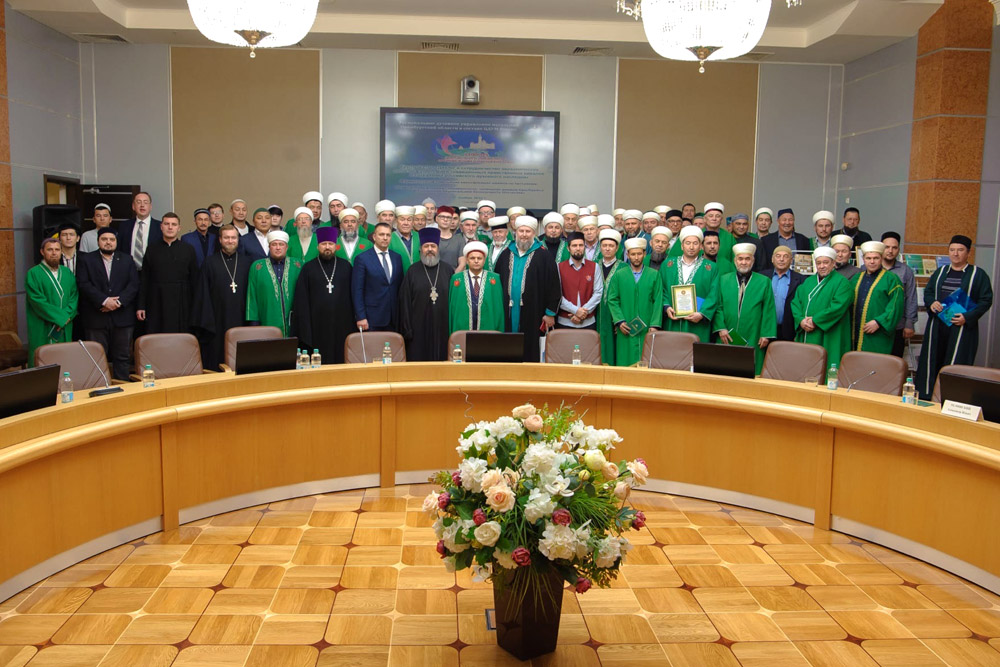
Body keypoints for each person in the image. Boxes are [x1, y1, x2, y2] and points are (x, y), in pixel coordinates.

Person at [916, 234, 994, 400]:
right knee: (932, 362)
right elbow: (929, 292)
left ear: (968, 253)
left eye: (960, 250)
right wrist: (932, 303)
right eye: (952, 250)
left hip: (961, 328)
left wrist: (967, 317)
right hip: (938, 327)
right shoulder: (940, 272)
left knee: (956, 365)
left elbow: (986, 300)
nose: (955, 254)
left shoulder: (978, 274)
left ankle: (952, 400)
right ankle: (927, 397)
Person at [495, 216, 560, 363]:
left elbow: (554, 285)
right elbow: (497, 282)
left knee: (530, 350)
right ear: (515, 232)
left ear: (534, 233)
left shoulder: (544, 255)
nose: (524, 234)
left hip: (534, 312)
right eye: (521, 231)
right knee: (507, 349)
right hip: (507, 312)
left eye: (528, 231)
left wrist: (550, 313)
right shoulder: (506, 254)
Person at [75, 228, 138, 380]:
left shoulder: (127, 259)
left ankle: (123, 385)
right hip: (96, 316)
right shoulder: (86, 259)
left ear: (116, 242)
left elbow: (134, 284)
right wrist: (104, 301)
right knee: (96, 357)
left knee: (122, 356)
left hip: (122, 316)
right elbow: (83, 284)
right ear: (98, 241)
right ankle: (99, 387)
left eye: (112, 239)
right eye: (104, 239)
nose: (108, 242)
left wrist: (118, 302)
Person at [191, 224, 250, 371]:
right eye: (226, 238)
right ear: (220, 240)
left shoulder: (247, 263)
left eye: (233, 238)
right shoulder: (209, 262)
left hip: (242, 318)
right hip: (216, 320)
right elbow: (202, 294)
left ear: (238, 240)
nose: (230, 241)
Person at [713, 243, 776, 375]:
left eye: (747, 259)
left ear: (753, 261)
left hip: (754, 333)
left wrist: (766, 334)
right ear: (735, 260)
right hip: (727, 334)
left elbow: (769, 309)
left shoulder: (764, 281)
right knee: (724, 369)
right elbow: (718, 306)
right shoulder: (723, 280)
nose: (743, 262)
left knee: (751, 370)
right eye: (740, 259)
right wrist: (721, 328)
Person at [293, 227, 354, 364]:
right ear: (318, 246)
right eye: (323, 244)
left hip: (342, 323)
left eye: (330, 244)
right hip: (317, 324)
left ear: (336, 246)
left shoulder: (346, 267)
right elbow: (301, 301)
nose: (327, 247)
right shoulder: (308, 268)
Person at [789, 247, 852, 368]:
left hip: (829, 333)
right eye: (819, 263)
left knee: (826, 365)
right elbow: (796, 303)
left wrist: (815, 320)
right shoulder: (808, 281)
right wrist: (801, 320)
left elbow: (837, 307)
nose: (822, 266)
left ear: (833, 263)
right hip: (805, 329)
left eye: (825, 262)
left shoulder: (842, 283)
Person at [137, 213, 199, 334]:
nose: (170, 227)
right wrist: (141, 305)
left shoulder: (188, 249)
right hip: (157, 300)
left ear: (179, 228)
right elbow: (144, 279)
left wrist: (196, 307)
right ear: (161, 227)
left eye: (174, 224)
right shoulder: (152, 249)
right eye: (167, 224)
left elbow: (194, 280)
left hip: (182, 301)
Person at [399, 227, 454, 361]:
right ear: (420, 249)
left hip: (443, 328)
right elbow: (404, 302)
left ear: (438, 249)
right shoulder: (412, 271)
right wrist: (407, 329)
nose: (430, 249)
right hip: (418, 329)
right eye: (426, 246)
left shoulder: (448, 270)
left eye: (433, 246)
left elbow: (454, 302)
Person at [607, 238, 662, 367]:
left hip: (647, 326)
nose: (636, 257)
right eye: (633, 254)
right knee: (625, 360)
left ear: (644, 254)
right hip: (626, 326)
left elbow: (658, 300)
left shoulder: (654, 275)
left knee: (646, 359)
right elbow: (612, 299)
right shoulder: (619, 275)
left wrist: (654, 324)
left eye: (639, 254)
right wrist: (619, 321)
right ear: (627, 255)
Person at [25, 238, 78, 366]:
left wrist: (67, 316)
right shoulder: (33, 273)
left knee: (65, 361)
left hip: (64, 325)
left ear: (61, 252)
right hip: (43, 325)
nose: (54, 253)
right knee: (42, 361)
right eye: (50, 250)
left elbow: (74, 297)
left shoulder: (67, 272)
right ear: (42, 252)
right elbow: (37, 301)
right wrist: (61, 318)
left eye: (57, 250)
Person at [661, 226, 719, 343]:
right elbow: (661, 289)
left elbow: (714, 294)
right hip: (673, 320)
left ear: (701, 246)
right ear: (682, 246)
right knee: (672, 350)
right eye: (688, 243)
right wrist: (666, 307)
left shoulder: (711, 268)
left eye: (695, 243)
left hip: (697, 324)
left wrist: (702, 314)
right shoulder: (668, 265)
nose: (691, 247)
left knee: (695, 351)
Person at [849, 241, 904, 354]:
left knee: (875, 362)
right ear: (863, 259)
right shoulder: (856, 278)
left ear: (882, 258)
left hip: (878, 332)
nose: (872, 261)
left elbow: (895, 306)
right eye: (868, 258)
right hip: (854, 330)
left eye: (876, 258)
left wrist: (879, 322)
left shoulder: (892, 279)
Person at [246, 230, 302, 337]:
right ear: (269, 247)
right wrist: (254, 323)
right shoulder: (257, 267)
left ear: (286, 247)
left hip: (294, 323)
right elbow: (251, 297)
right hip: (266, 320)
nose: (278, 247)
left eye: (281, 244)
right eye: (274, 244)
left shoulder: (298, 265)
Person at [352, 222, 404, 332]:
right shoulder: (362, 259)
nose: (385, 238)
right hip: (372, 318)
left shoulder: (397, 258)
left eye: (388, 235)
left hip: (394, 317)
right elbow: (357, 290)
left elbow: (399, 286)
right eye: (381, 234)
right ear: (374, 237)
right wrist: (361, 316)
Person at [449, 241, 504, 335]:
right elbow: (453, 308)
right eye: (472, 258)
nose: (476, 261)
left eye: (479, 258)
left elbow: (498, 309)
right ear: (467, 260)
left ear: (484, 260)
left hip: (488, 330)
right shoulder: (457, 279)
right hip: (462, 329)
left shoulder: (494, 279)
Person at [881, 232, 918, 358]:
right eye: (887, 247)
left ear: (898, 250)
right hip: (873, 325)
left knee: (894, 362)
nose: (890, 251)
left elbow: (911, 298)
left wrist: (909, 324)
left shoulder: (905, 271)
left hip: (898, 326)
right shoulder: (869, 268)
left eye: (894, 248)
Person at [557, 232, 604, 330]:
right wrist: (576, 310)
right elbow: (557, 294)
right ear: (568, 248)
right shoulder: (559, 267)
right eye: (574, 246)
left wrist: (583, 312)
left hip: (588, 322)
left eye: (581, 245)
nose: (578, 248)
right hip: (565, 322)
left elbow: (598, 292)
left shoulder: (594, 266)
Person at [597, 229, 628, 365]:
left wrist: (620, 319)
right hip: (597, 314)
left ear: (617, 248)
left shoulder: (624, 267)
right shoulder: (593, 265)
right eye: (604, 245)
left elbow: (626, 296)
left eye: (611, 246)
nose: (607, 249)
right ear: (600, 247)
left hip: (615, 315)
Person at [766, 246, 805, 342]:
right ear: (772, 259)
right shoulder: (763, 276)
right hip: (766, 330)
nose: (781, 259)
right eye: (778, 256)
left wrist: (798, 333)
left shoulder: (801, 279)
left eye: (786, 256)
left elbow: (802, 306)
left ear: (791, 260)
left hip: (789, 331)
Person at [118, 191, 161, 271]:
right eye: (138, 202)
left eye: (145, 202)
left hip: (152, 271)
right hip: (128, 271)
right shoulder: (124, 226)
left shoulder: (159, 226)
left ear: (150, 206)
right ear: (133, 206)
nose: (142, 205)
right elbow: (119, 250)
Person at [702, 203, 734, 267]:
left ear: (721, 219)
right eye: (711, 216)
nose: (714, 219)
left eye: (717, 216)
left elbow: (734, 260)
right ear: (705, 219)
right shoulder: (697, 235)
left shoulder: (729, 237)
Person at [390, 206, 420, 271]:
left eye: (409, 220)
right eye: (402, 219)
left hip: (418, 275)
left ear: (413, 222)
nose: (406, 223)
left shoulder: (419, 236)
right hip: (398, 276)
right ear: (396, 221)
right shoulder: (389, 238)